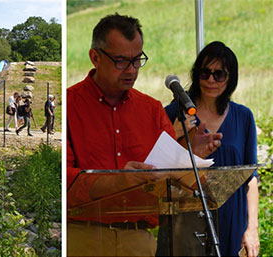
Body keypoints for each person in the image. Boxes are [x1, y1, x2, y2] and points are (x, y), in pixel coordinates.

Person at [66, 13, 222, 256]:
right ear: (94, 57)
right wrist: (121, 180)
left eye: (137, 60)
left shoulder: (152, 110)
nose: (131, 70)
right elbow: (65, 181)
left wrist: (189, 155)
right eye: (121, 61)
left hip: (139, 240)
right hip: (82, 236)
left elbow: (171, 184)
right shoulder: (68, 104)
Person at [156, 41, 259, 257]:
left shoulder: (243, 116)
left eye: (219, 74)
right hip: (185, 220)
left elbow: (251, 178)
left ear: (230, 78)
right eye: (205, 73)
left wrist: (252, 229)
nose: (211, 80)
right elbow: (155, 166)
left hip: (232, 219)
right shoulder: (174, 112)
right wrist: (175, 133)